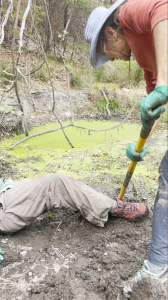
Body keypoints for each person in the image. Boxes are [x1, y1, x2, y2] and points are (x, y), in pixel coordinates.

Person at [85, 0, 168, 294]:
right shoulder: (145, 60)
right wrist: (140, 141)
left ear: (111, 33)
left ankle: (157, 271)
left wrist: (164, 85)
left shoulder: (129, 14)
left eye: (106, 54)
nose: (113, 59)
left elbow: (163, 8)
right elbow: (155, 103)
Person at [0, 172, 149, 261]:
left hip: (4, 192)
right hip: (4, 207)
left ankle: (100, 204)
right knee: (53, 183)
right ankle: (112, 208)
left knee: (51, 185)